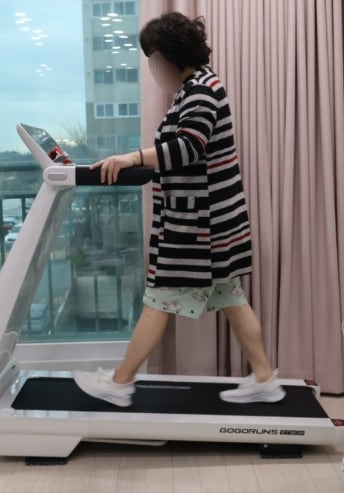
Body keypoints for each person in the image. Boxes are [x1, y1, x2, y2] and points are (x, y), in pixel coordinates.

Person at [73, 12, 285, 407]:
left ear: (171, 54)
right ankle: (264, 377)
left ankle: (120, 382)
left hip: (200, 229)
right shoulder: (196, 87)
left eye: (154, 58)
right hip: (208, 222)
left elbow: (188, 148)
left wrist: (132, 157)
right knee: (231, 297)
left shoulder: (201, 91)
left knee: (159, 298)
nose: (153, 68)